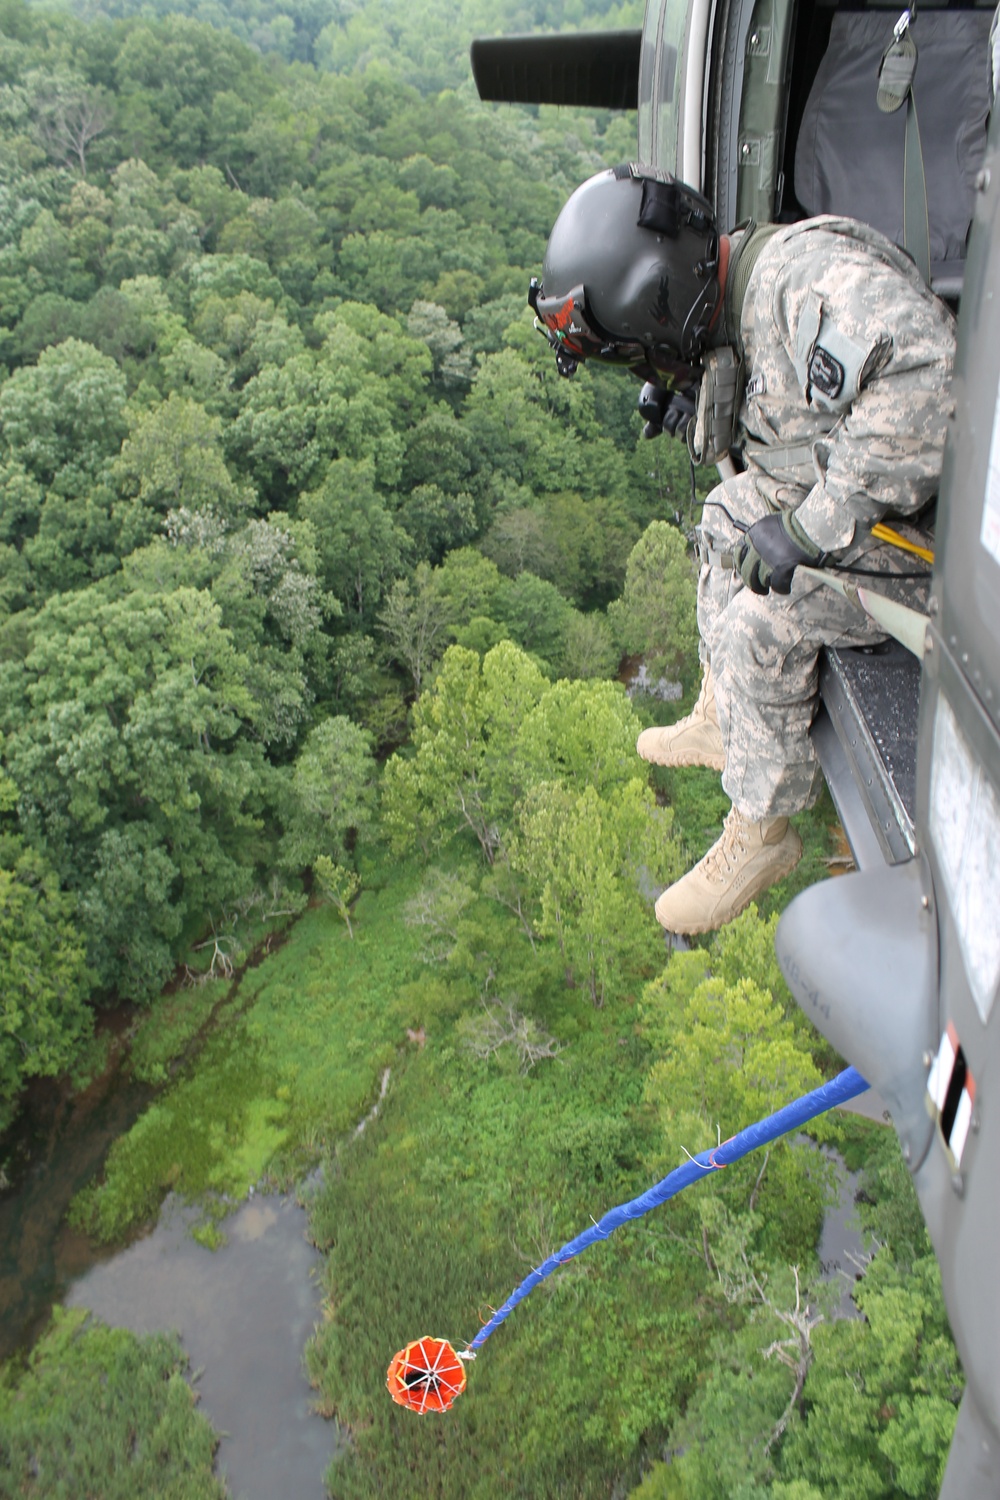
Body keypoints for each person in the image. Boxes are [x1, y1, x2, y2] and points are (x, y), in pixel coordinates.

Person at [531, 164, 956, 934]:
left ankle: (762, 828)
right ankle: (725, 712)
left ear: (667, 308)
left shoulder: (800, 284)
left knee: (767, 621)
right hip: (878, 507)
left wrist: (811, 528)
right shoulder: (744, 297)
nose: (651, 368)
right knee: (727, 512)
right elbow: (793, 415)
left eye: (645, 354)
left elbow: (931, 383)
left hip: (943, 549)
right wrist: (697, 398)